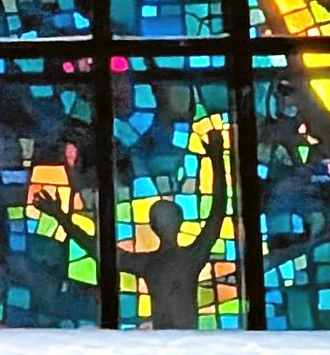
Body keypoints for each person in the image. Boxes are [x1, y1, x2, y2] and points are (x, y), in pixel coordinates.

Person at [31, 132, 229, 330]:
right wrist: (216, 156)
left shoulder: (172, 259)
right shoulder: (181, 258)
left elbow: (99, 250)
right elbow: (217, 209)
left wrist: (62, 217)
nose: (165, 224)